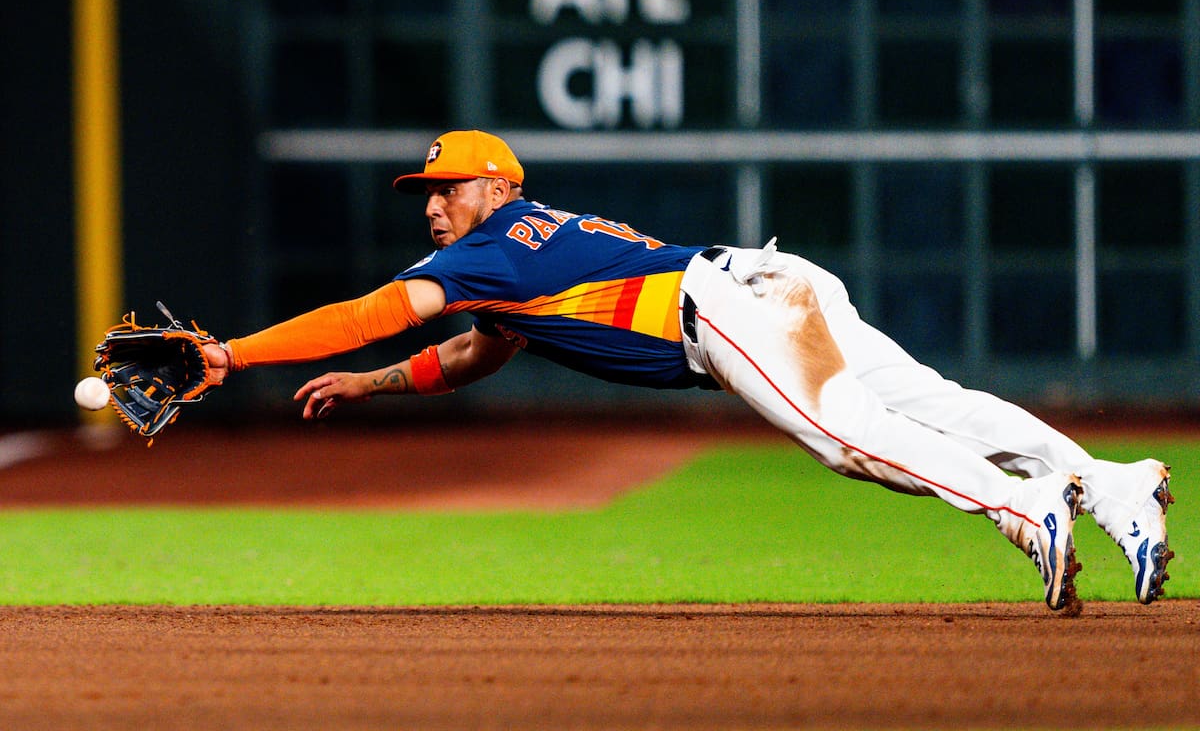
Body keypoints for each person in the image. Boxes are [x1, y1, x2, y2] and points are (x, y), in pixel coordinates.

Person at [203, 129, 1173, 611]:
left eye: (446, 188)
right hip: (772, 278)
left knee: (846, 436)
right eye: (426, 192)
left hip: (717, 310)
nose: (432, 204)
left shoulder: (491, 246)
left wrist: (230, 353)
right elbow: (478, 350)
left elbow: (372, 311)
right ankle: (1115, 485)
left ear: (499, 187)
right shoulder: (515, 267)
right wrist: (371, 386)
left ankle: (1028, 504)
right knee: (935, 403)